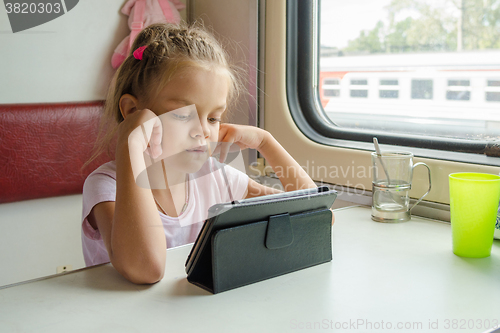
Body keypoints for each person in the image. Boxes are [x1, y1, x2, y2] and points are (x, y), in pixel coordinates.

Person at [81, 22, 325, 285]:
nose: (202, 131)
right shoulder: (106, 186)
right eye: (184, 114)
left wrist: (267, 143)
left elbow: (315, 219)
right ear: (131, 111)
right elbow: (146, 269)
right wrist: (130, 143)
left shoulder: (213, 176)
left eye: (213, 118)